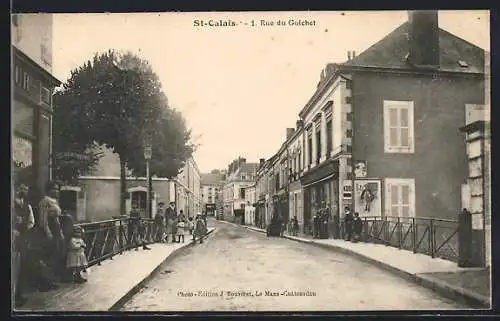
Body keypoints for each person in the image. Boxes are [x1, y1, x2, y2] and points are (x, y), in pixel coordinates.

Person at [37, 181, 66, 283]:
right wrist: (47, 232)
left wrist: (60, 232)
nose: (56, 191)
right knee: (48, 255)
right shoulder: (44, 201)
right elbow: (43, 219)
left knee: (56, 254)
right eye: (54, 189)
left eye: (57, 189)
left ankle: (52, 279)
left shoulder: (55, 201)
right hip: (49, 228)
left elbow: (57, 218)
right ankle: (46, 281)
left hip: (56, 228)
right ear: (48, 190)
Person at [13, 184, 35, 307]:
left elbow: (32, 221)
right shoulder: (11, 204)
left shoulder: (27, 206)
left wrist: (25, 228)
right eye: (22, 189)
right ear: (16, 190)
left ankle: (18, 294)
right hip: (12, 238)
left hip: (23, 239)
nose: (24, 191)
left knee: (20, 266)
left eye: (26, 189)